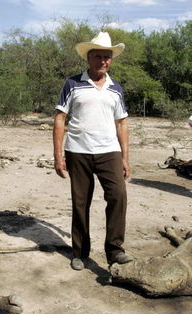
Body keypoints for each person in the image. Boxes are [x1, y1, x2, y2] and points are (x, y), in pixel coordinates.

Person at [53, 32, 133, 271]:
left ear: (111, 59)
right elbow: (60, 118)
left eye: (107, 57)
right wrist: (58, 155)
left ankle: (115, 250)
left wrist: (125, 157)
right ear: (88, 57)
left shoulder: (115, 88)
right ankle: (79, 252)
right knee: (80, 202)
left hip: (109, 151)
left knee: (118, 196)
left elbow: (122, 123)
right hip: (78, 151)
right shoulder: (72, 83)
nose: (103, 61)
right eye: (98, 56)